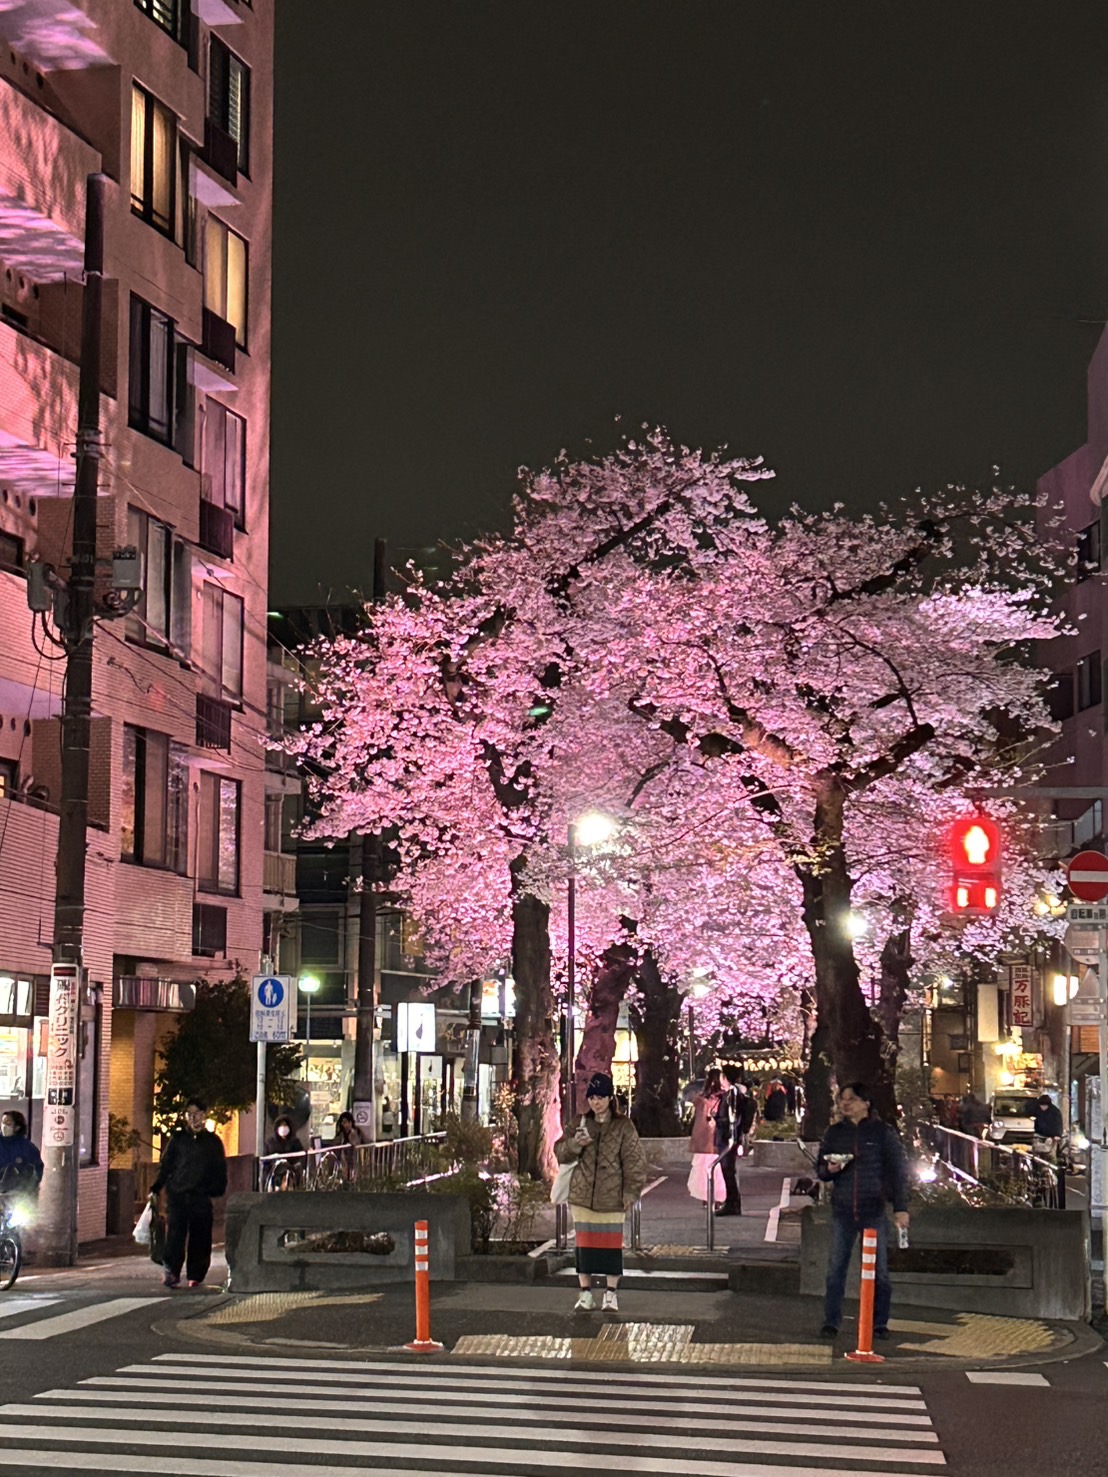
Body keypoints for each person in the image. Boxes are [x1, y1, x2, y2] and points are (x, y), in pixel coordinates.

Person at [817, 1081, 909, 1340]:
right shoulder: (835, 1133)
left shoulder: (882, 1133)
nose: (846, 1103)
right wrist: (830, 1170)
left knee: (880, 1272)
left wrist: (901, 1208)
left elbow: (898, 1172)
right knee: (836, 1269)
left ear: (866, 1103)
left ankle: (879, 1323)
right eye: (843, 1099)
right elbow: (821, 1170)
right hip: (843, 1209)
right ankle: (831, 1321)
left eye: (852, 1099)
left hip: (873, 1209)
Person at [554, 1071, 647, 1313]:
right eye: (592, 1097)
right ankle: (585, 1294)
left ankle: (610, 1294)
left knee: (610, 1247)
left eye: (601, 1096)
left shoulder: (623, 1126)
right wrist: (576, 1144)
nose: (596, 1102)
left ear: (610, 1097)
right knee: (584, 1248)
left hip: (612, 1197)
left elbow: (634, 1162)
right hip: (582, 1196)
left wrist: (631, 1192)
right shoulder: (578, 1123)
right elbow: (561, 1152)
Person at [150, 1098, 227, 1290]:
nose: (194, 1118)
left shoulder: (213, 1142)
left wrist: (216, 1188)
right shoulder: (178, 1139)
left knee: (200, 1236)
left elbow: (220, 1169)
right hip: (178, 1195)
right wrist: (156, 1187)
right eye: (190, 1114)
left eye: (197, 1114)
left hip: (201, 1195)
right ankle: (172, 1271)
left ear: (204, 1115)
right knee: (175, 1235)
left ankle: (196, 1274)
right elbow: (166, 1165)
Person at [686, 1068, 723, 1203]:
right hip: (717, 1137)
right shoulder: (723, 1098)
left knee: (703, 1168)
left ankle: (705, 1196)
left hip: (703, 1140)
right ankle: (718, 1196)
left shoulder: (701, 1100)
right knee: (718, 1168)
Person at [714, 1064, 743, 1215]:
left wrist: (718, 1120)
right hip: (728, 1137)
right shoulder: (732, 1093)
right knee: (728, 1172)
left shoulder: (732, 1094)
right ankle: (732, 1202)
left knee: (728, 1171)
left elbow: (733, 1118)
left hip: (727, 1138)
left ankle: (732, 1204)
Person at [0, 1111, 43, 1205]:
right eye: (3, 1122)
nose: (4, 1126)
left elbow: (37, 1170)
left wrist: (30, 1189)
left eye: (8, 1123)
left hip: (18, 1197)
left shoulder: (27, 1147)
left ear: (17, 1127)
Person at [735, 1079, 758, 1152]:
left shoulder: (744, 1100)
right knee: (745, 1133)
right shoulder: (752, 1101)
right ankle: (745, 1147)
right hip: (746, 1123)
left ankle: (743, 1147)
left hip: (741, 1121)